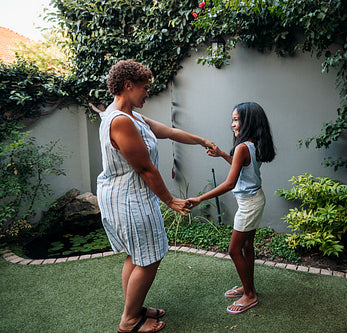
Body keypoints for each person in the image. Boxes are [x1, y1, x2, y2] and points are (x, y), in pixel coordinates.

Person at [96, 59, 214, 333]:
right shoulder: (120, 121)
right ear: (128, 85)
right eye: (144, 88)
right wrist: (170, 200)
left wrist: (201, 141)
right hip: (128, 199)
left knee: (136, 255)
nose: (148, 93)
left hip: (126, 196)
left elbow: (167, 132)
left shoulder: (130, 115)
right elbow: (145, 168)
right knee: (148, 259)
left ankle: (133, 309)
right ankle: (128, 321)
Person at [187, 102, 275, 315]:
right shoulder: (251, 145)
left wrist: (200, 198)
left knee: (234, 250)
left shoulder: (242, 147)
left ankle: (250, 295)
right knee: (247, 247)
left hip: (249, 205)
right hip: (255, 199)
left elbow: (230, 183)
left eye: (236, 119)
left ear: (248, 122)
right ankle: (249, 288)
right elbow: (243, 168)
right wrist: (222, 155)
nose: (232, 124)